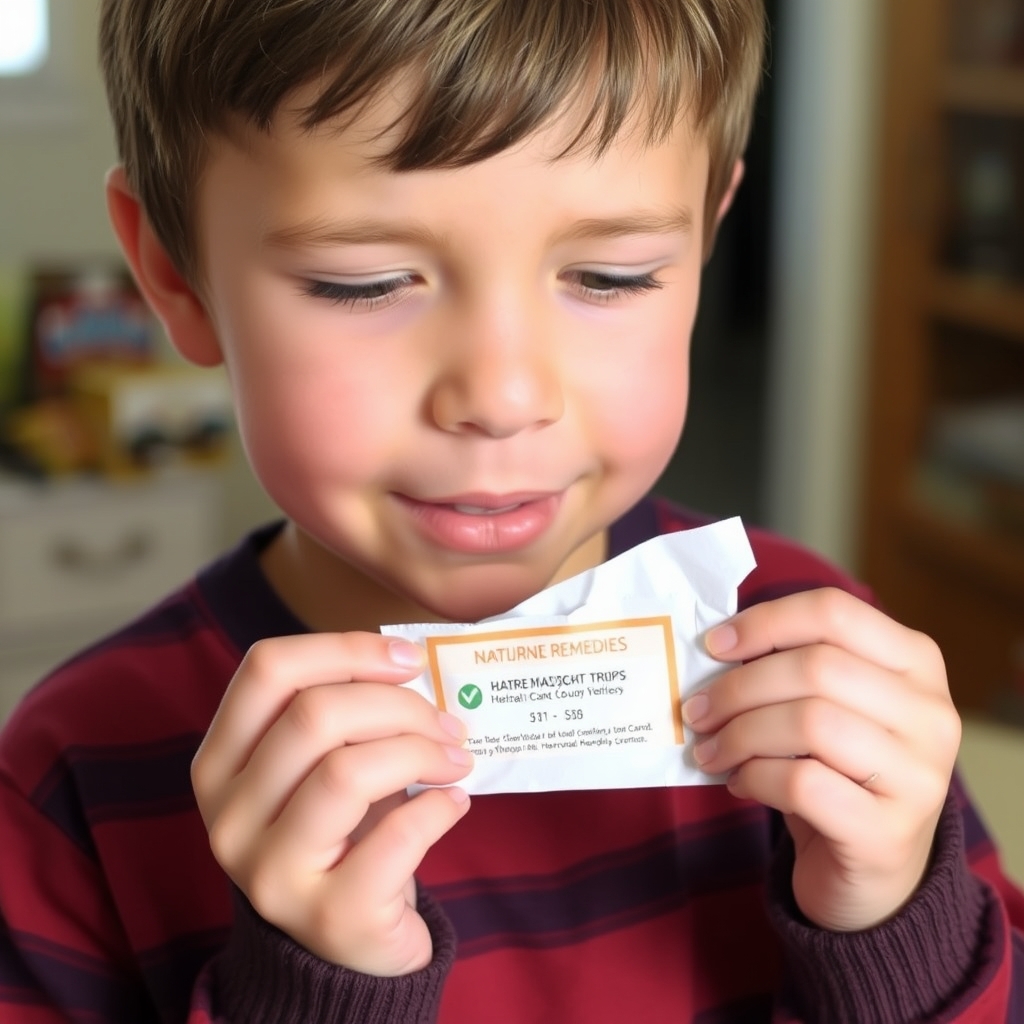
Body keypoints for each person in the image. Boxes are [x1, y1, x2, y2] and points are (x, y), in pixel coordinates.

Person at [1, 0, 1022, 1020]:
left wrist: (893, 924)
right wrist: (315, 992)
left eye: (609, 275)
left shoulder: (805, 641)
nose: (501, 396)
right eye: (361, 283)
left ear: (705, 240)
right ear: (175, 275)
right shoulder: (72, 782)